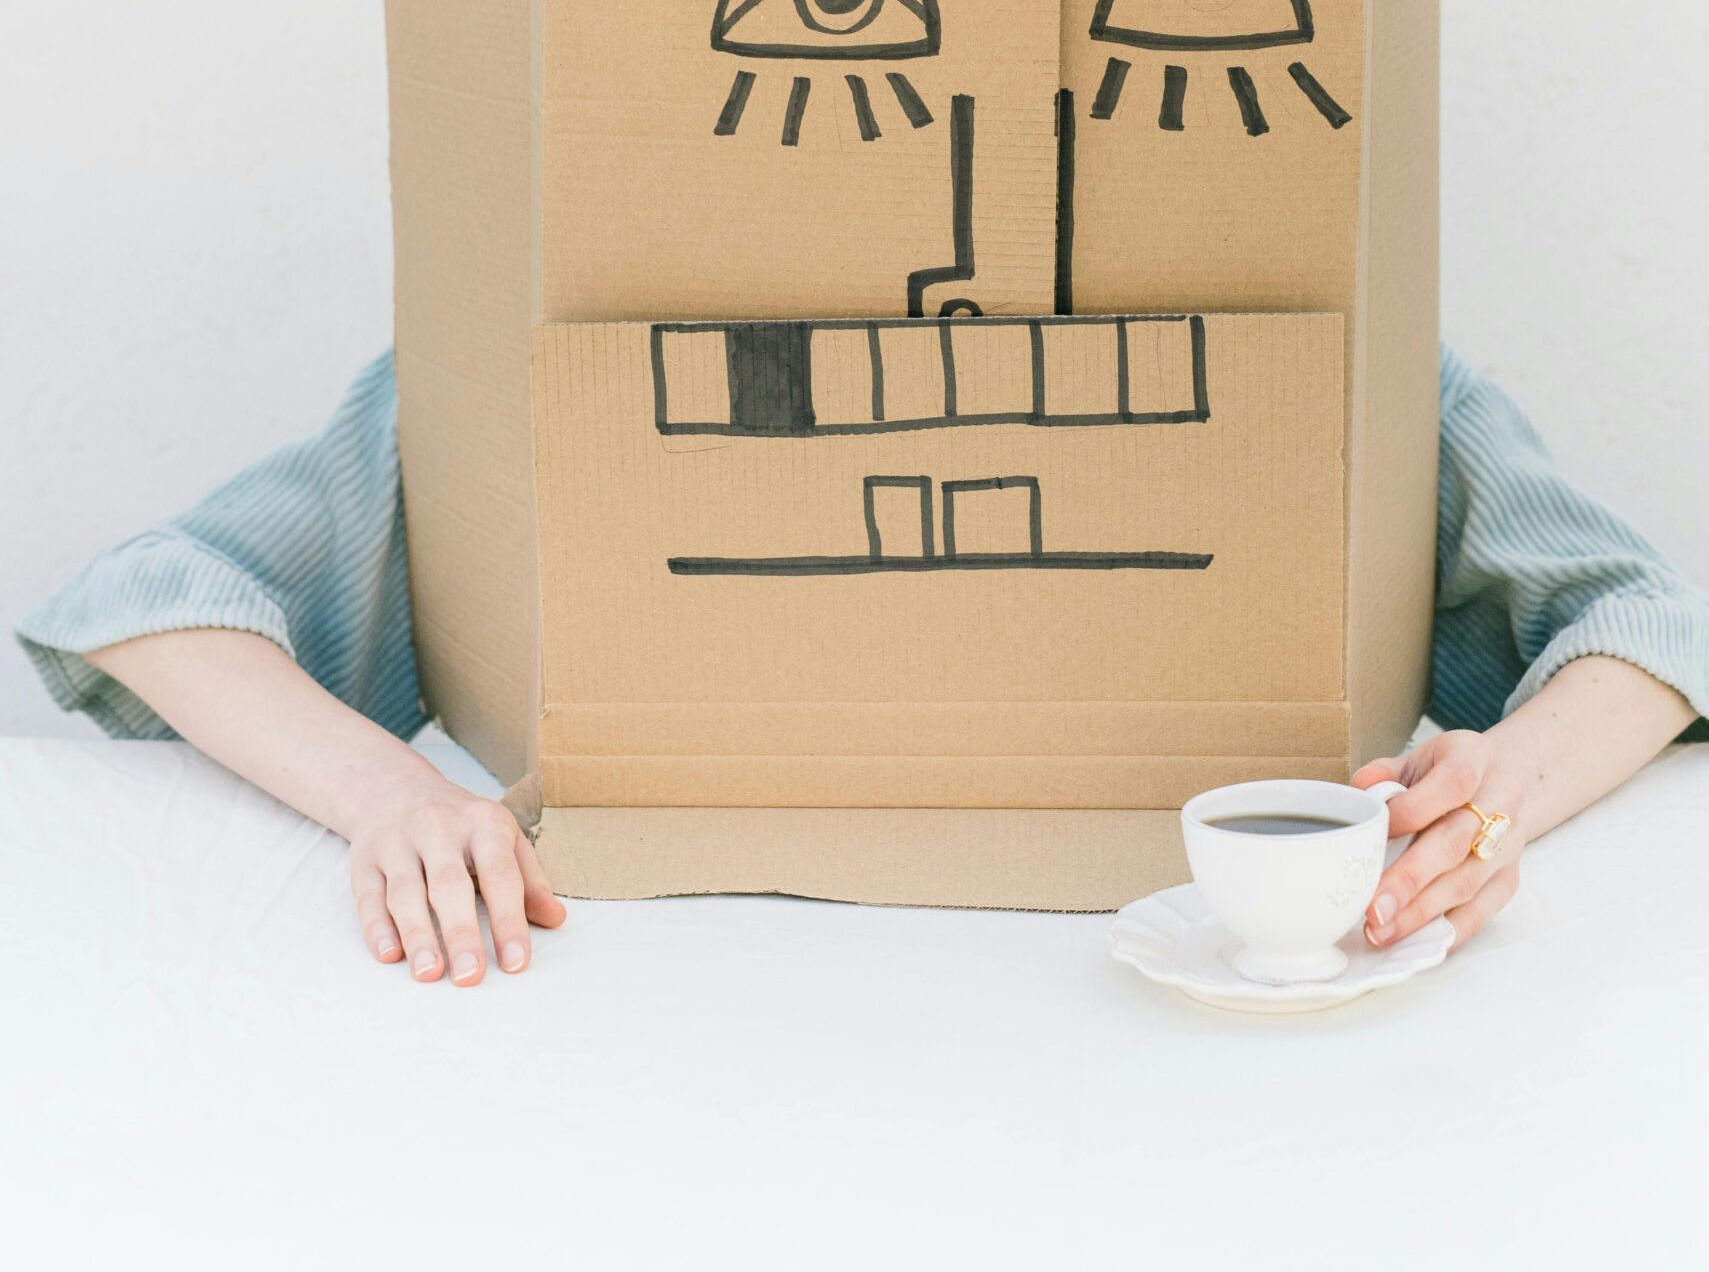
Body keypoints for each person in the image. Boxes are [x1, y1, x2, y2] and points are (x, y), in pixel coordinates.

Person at [18, 346, 1708, 986]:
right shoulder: (574, 355)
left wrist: (1486, 805)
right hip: (634, 1115)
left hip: (1203, 1136)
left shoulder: (1290, 359)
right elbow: (151, 590)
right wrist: (390, 794)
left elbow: (1646, 621)